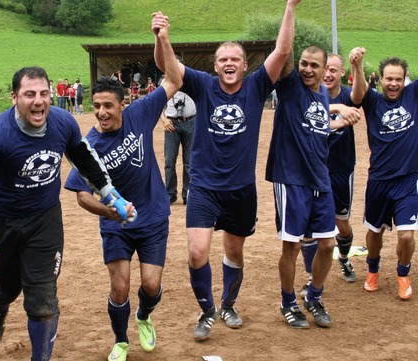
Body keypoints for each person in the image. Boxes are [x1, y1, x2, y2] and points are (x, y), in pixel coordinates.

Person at [0, 66, 132, 361]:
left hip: (45, 221)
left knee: (43, 299)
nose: (38, 101)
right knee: (7, 287)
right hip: (3, 220)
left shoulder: (63, 122)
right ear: (14, 97)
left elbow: (84, 157)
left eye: (44, 93)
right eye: (29, 94)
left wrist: (110, 195)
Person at [153, 0, 299, 339]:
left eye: (235, 59)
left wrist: (291, 6)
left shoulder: (257, 86)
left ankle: (228, 304)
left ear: (245, 66)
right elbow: (169, 68)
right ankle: (206, 311)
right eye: (223, 59)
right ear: (215, 66)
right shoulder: (202, 85)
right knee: (197, 251)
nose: (229, 63)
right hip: (204, 187)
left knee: (234, 252)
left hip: (241, 190)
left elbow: (282, 49)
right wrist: (162, 36)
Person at [63, 13, 181, 360]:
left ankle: (144, 316)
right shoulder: (86, 147)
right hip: (116, 225)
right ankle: (120, 340)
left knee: (151, 285)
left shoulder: (142, 112)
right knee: (119, 286)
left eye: (107, 106)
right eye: (96, 105)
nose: (100, 112)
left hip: (155, 215)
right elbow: (82, 195)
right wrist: (111, 211)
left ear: (122, 105)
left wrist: (162, 38)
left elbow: (173, 79)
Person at [349, 50, 418, 300]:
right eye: (389, 79)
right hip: (378, 181)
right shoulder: (374, 101)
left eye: (398, 79)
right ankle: (373, 269)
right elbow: (357, 95)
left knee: (407, 234)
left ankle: (403, 274)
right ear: (380, 78)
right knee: (374, 232)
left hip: (408, 180)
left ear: (405, 79)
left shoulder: (413, 95)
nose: (393, 84)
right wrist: (356, 66)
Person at [298, 53, 362, 297]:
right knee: (308, 227)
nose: (327, 74)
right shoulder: (309, 95)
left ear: (340, 73)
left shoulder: (346, 95)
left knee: (341, 224)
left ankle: (344, 257)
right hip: (313, 170)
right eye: (327, 69)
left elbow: (357, 97)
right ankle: (310, 276)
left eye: (334, 70)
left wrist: (358, 66)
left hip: (340, 170)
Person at [161, 75, 196, 205]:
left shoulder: (192, 81)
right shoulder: (165, 82)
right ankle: (170, 194)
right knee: (169, 162)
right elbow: (158, 103)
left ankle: (188, 194)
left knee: (190, 162)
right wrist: (164, 120)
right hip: (171, 124)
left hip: (190, 122)